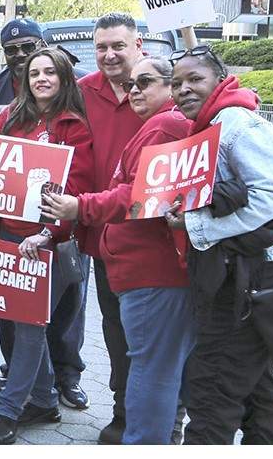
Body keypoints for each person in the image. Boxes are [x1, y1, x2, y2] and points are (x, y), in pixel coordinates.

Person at [42, 56, 193, 444]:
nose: (133, 92)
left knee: (151, 370)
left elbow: (137, 194)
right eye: (130, 85)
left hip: (151, 275)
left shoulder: (165, 126)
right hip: (142, 270)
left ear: (171, 86)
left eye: (144, 83)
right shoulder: (160, 123)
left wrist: (80, 206)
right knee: (151, 365)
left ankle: (145, 440)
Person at [164, 46, 273, 445]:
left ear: (220, 80)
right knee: (256, 384)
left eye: (195, 79)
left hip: (254, 273)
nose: (183, 89)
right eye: (176, 83)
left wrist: (199, 224)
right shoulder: (214, 125)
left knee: (212, 386)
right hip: (253, 270)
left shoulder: (235, 123)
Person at [0, 47, 94, 444]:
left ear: (64, 78)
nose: (41, 79)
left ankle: (10, 410)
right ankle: (45, 399)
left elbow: (78, 189)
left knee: (30, 325)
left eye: (49, 72)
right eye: (35, 73)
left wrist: (50, 232)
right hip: (10, 237)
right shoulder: (8, 118)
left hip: (49, 243)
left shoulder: (75, 127)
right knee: (18, 320)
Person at [73, 13, 172, 440]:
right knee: (115, 329)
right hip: (103, 236)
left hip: (155, 245)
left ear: (138, 46)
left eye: (118, 46)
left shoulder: (162, 100)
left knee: (151, 340)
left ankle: (162, 422)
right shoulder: (82, 91)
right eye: (102, 47)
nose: (110, 54)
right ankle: (123, 411)